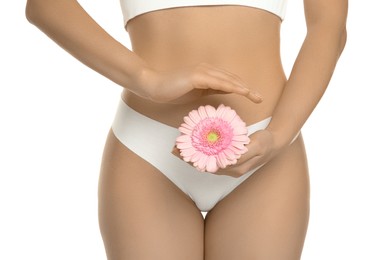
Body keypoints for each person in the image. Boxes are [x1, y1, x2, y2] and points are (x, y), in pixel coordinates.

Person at [25, 0, 347, 259]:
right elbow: (44, 5)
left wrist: (280, 134)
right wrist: (147, 79)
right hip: (149, 153)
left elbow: (328, 27)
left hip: (265, 147)